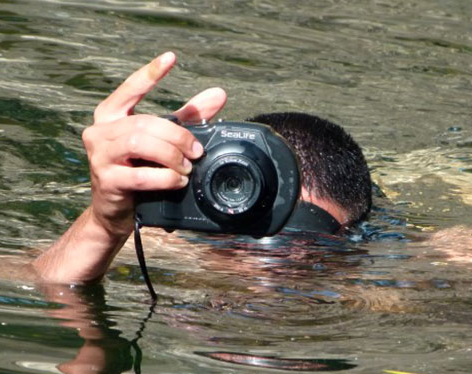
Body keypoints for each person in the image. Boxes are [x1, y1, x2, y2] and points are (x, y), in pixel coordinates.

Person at [27, 51, 372, 286]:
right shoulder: (166, 242)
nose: (263, 274)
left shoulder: (397, 259)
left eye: (306, 241)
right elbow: (7, 277)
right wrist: (103, 227)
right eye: (242, 235)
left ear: (354, 243)